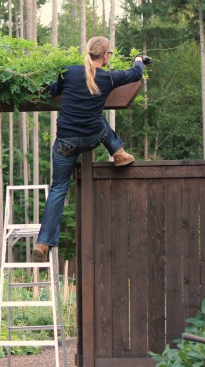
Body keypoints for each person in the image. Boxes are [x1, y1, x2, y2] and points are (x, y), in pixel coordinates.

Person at [32, 36, 147, 262]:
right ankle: (118, 152)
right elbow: (135, 74)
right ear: (105, 56)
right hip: (94, 138)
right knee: (97, 117)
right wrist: (139, 60)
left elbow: (51, 89)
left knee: (58, 189)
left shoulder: (69, 71)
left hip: (66, 143)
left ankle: (43, 242)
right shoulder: (108, 78)